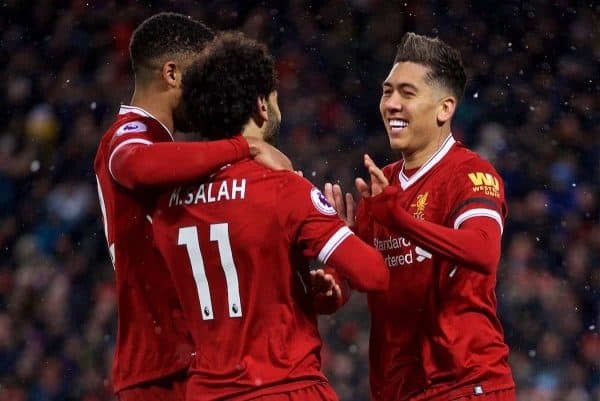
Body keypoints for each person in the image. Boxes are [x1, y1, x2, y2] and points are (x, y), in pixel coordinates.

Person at [150, 32, 389, 401]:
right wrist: (346, 237)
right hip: (285, 388)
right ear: (261, 105)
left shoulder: (167, 205)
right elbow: (373, 274)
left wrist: (306, 291)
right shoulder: (283, 189)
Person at [94, 13, 291, 401]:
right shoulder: (129, 134)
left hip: (195, 361)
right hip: (161, 369)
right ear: (172, 73)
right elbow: (134, 164)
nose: (211, 94)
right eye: (202, 78)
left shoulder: (174, 151)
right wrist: (246, 145)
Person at [326, 32, 515, 401]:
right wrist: (335, 268)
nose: (391, 104)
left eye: (407, 94)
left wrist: (401, 221)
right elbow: (350, 287)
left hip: (465, 386)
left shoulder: (472, 174)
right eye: (387, 91)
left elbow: (483, 251)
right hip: (396, 390)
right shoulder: (381, 189)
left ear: (445, 109)